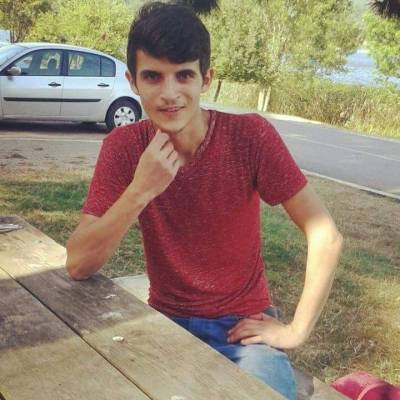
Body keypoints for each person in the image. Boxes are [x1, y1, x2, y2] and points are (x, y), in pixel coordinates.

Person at [65, 2, 343, 399]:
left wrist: (296, 331)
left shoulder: (249, 137)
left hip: (243, 329)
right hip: (166, 322)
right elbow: (79, 264)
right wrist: (141, 189)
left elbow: (325, 235)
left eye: (184, 75)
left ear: (206, 79)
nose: (169, 94)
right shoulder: (124, 147)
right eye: (153, 76)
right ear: (132, 81)